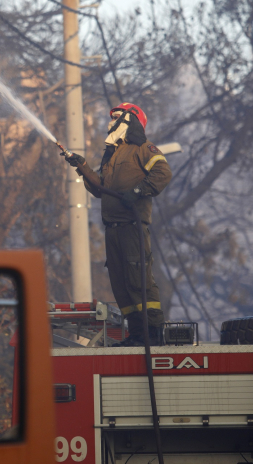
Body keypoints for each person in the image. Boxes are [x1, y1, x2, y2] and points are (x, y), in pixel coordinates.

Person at [63, 103, 172, 346]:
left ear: (130, 121)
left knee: (138, 280)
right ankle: (137, 334)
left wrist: (138, 191)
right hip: (112, 229)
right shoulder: (111, 155)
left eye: (116, 117)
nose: (111, 122)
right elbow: (100, 189)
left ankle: (153, 333)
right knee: (121, 284)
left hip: (132, 226)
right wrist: (82, 166)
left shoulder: (143, 149)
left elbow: (163, 173)